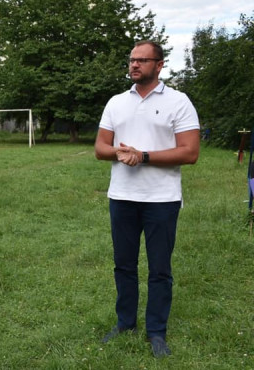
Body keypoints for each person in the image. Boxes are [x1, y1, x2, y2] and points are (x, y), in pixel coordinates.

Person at [94, 40, 200, 358]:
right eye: (132, 59)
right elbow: (100, 148)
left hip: (162, 199)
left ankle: (156, 332)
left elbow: (190, 152)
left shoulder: (178, 101)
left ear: (159, 64)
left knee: (160, 269)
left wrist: (144, 156)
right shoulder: (116, 102)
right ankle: (125, 323)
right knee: (124, 265)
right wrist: (120, 152)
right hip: (122, 196)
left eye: (142, 59)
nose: (134, 64)